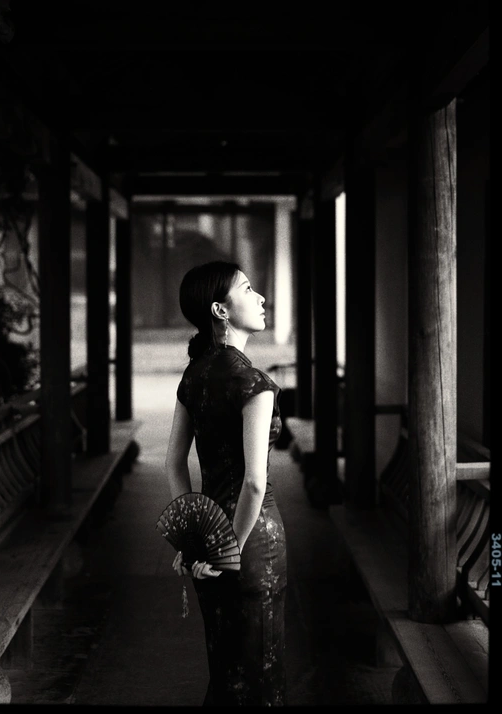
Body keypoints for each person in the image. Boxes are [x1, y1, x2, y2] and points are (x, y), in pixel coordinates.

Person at [165, 260, 287, 706]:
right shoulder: (253, 383)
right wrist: (228, 551)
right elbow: (254, 483)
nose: (260, 297)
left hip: (210, 535)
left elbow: (173, 464)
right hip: (252, 543)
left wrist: (193, 540)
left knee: (225, 669)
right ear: (220, 309)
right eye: (248, 289)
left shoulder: (193, 375)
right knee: (259, 674)